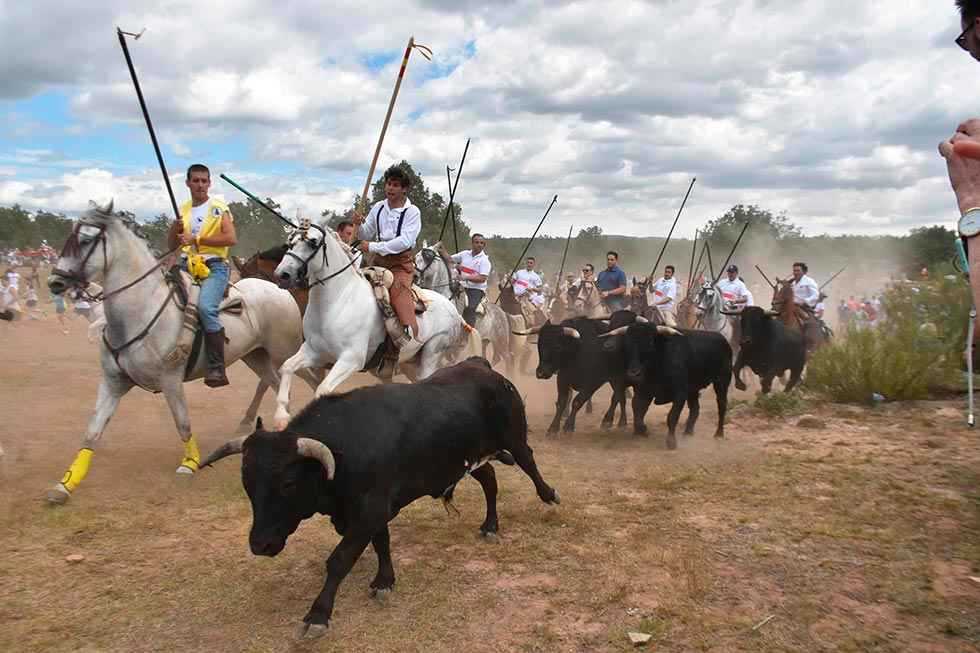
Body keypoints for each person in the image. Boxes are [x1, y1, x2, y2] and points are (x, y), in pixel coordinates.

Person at [166, 163, 238, 387]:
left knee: (206, 308)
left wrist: (196, 240)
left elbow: (230, 239)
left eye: (204, 181)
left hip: (215, 267)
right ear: (188, 183)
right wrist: (174, 229)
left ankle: (216, 366)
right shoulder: (184, 210)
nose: (200, 185)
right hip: (187, 266)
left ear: (209, 183)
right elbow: (172, 245)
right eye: (195, 180)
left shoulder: (217, 207)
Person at [352, 165, 423, 377]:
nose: (390, 188)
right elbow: (366, 232)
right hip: (378, 261)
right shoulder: (379, 207)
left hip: (400, 264)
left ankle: (395, 351)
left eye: (395, 185)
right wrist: (359, 224)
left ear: (404, 189)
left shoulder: (412, 212)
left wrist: (372, 246)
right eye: (388, 184)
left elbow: (404, 242)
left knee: (396, 298)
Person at [451, 234, 492, 327]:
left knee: (470, 308)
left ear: (484, 245)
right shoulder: (464, 254)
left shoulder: (484, 260)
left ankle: (469, 333)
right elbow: (449, 259)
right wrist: (440, 249)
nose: (479, 244)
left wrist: (465, 278)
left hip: (475, 290)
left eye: (482, 243)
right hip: (461, 286)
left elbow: (482, 278)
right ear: (472, 243)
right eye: (477, 242)